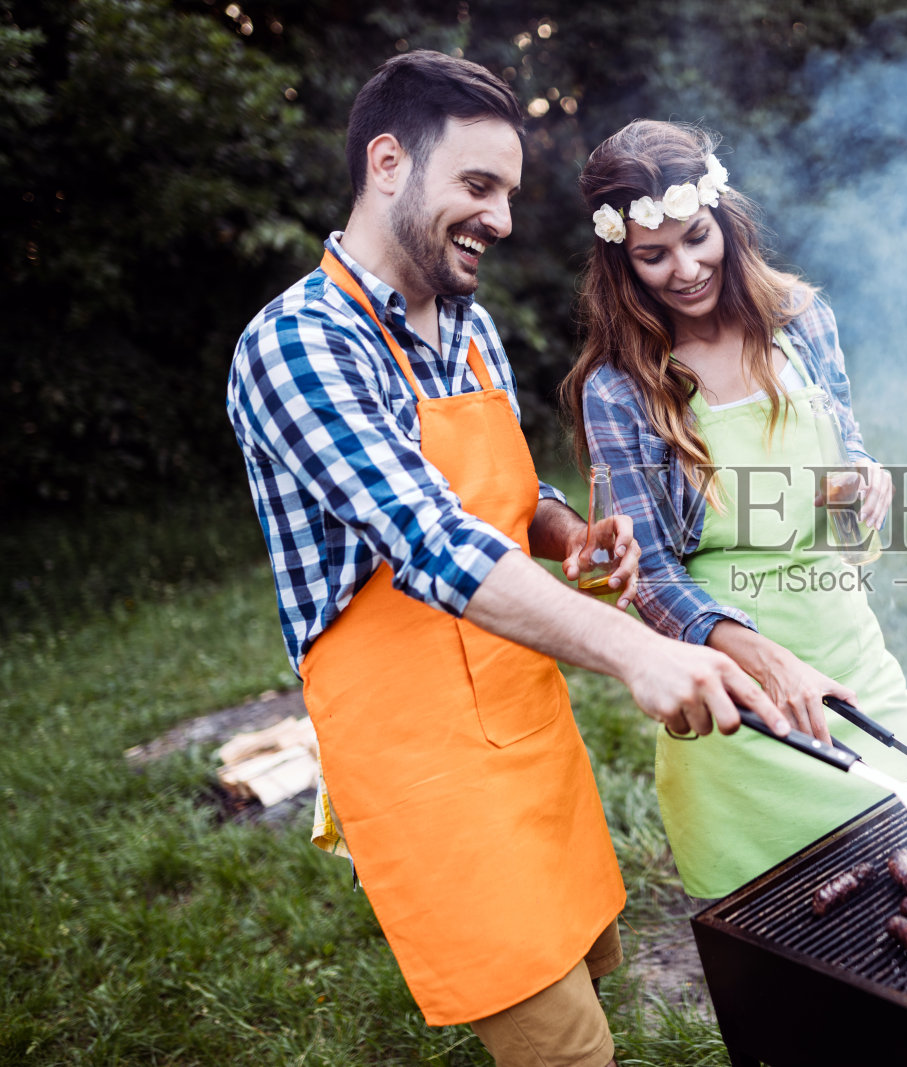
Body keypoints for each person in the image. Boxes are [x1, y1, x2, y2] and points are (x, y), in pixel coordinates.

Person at [225, 53, 787, 1067]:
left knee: (585, 966)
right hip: (423, 758)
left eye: (510, 194)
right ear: (388, 163)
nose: (503, 220)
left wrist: (571, 532)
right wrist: (636, 650)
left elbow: (507, 500)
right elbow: (431, 539)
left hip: (523, 718)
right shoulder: (299, 343)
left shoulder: (467, 324)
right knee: (566, 1048)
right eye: (477, 186)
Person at [561, 119, 907, 900]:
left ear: (724, 219)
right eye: (654, 255)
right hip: (736, 708)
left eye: (696, 238)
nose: (684, 269)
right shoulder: (617, 390)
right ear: (622, 262)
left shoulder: (805, 322)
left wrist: (864, 486)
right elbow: (650, 579)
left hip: (853, 668)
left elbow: (846, 502)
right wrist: (768, 662)